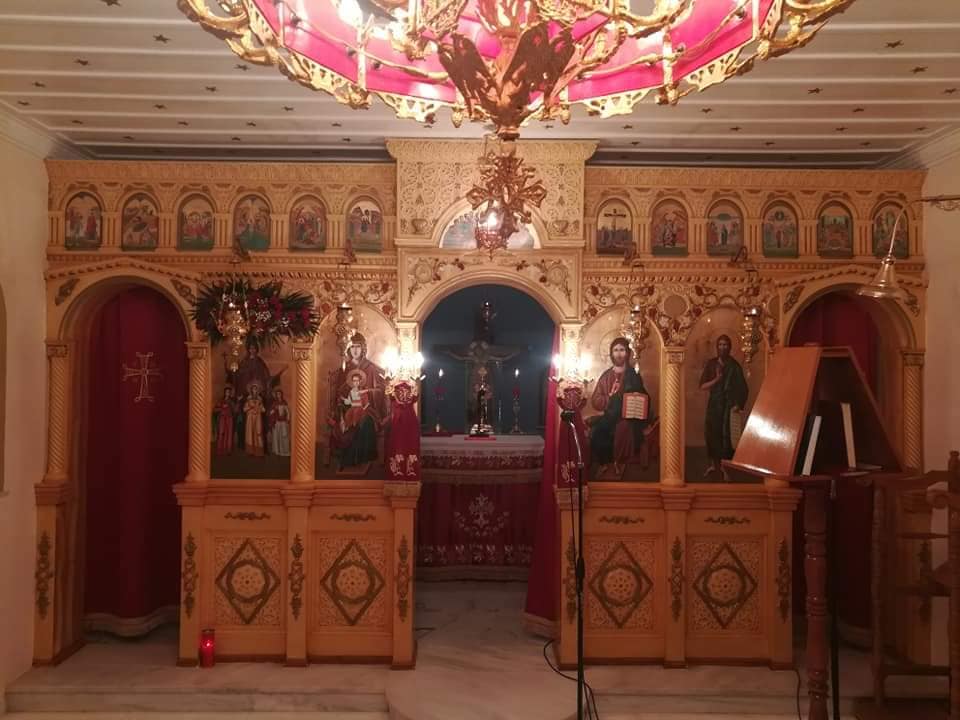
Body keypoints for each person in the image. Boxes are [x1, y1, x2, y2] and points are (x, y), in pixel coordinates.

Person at [589, 337, 650, 476]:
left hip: (628, 417)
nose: (619, 354)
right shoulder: (606, 376)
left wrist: (636, 396)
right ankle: (604, 464)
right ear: (611, 353)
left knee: (623, 429)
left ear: (627, 353)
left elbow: (643, 396)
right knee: (599, 433)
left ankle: (619, 464)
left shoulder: (633, 375)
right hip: (610, 416)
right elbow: (596, 400)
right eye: (615, 350)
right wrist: (610, 397)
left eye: (622, 350)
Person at [332, 333, 386, 469]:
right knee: (345, 422)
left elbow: (380, 391)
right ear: (348, 350)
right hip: (348, 408)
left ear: (363, 349)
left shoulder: (371, 368)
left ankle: (363, 457)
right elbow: (339, 392)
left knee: (366, 422)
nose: (355, 350)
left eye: (358, 346)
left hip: (368, 408)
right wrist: (343, 398)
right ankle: (347, 458)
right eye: (352, 347)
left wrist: (367, 392)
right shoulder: (345, 369)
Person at [699, 334, 748, 480]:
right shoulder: (711, 364)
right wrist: (716, 379)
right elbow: (702, 386)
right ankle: (714, 465)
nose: (722, 347)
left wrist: (738, 404)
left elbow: (743, 388)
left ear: (730, 347)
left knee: (726, 438)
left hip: (729, 407)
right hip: (714, 405)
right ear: (717, 347)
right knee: (712, 434)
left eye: (725, 345)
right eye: (720, 345)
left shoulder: (734, 366)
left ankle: (725, 468)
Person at [243, 383, 266, 457]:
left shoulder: (260, 399)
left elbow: (263, 410)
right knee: (250, 433)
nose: (255, 390)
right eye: (253, 389)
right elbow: (244, 409)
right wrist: (250, 407)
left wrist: (260, 408)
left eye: (256, 389)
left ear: (258, 391)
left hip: (258, 417)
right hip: (250, 417)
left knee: (258, 432)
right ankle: (250, 451)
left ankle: (259, 451)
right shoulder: (248, 399)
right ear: (251, 390)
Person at [213, 385, 236, 455]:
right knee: (221, 433)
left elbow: (235, 410)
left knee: (229, 434)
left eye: (229, 392)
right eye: (226, 392)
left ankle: (228, 450)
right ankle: (220, 449)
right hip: (222, 418)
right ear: (224, 393)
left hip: (229, 419)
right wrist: (222, 407)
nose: (228, 393)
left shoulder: (232, 401)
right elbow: (215, 409)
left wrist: (238, 401)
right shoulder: (221, 400)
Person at [268, 388, 291, 457]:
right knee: (277, 436)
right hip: (277, 421)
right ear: (276, 395)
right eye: (277, 394)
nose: (279, 395)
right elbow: (270, 413)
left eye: (280, 394)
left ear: (281, 395)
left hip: (283, 422)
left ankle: (284, 451)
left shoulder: (284, 402)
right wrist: (274, 409)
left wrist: (288, 419)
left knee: (284, 436)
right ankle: (277, 450)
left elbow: (288, 412)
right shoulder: (274, 403)